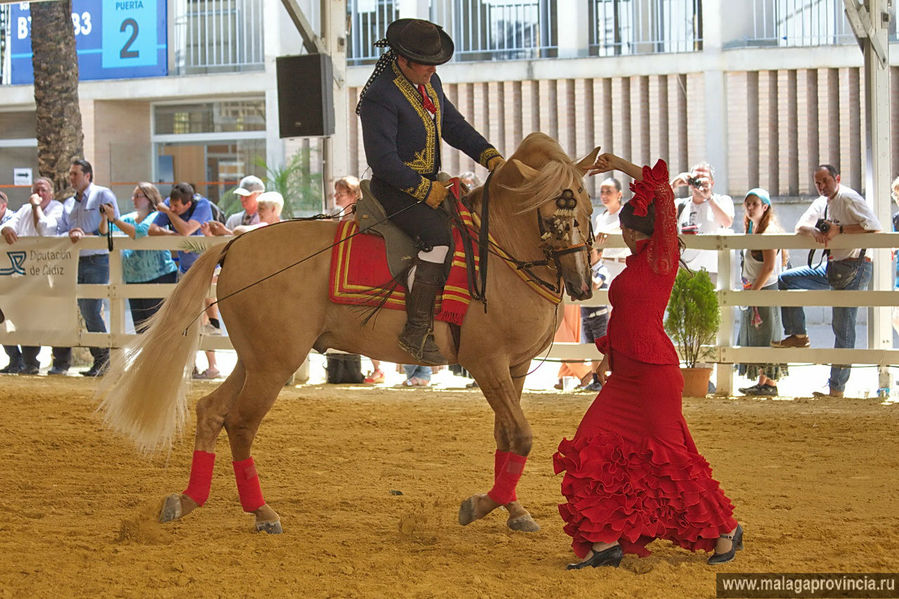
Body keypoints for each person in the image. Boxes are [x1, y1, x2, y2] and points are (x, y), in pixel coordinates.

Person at [554, 152, 740, 570]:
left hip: (655, 374)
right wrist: (606, 361)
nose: (624, 235)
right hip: (625, 376)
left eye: (628, 230)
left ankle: (725, 530)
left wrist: (617, 162)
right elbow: (624, 317)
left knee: (673, 458)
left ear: (644, 231)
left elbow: (658, 187)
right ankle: (604, 543)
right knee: (588, 447)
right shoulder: (639, 265)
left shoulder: (661, 259)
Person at [357, 18, 504, 364]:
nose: (434, 68)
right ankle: (416, 329)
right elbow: (382, 160)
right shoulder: (379, 96)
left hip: (429, 184)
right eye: (427, 62)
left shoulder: (429, 80)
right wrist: (424, 191)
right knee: (439, 239)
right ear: (403, 59)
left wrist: (491, 156)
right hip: (395, 188)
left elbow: (453, 125)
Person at [771, 164, 881, 398]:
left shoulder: (849, 198)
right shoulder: (822, 202)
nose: (821, 187)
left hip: (855, 264)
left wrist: (838, 230)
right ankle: (798, 334)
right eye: (817, 183)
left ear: (837, 179)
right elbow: (800, 225)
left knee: (843, 325)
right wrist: (814, 231)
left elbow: (874, 227)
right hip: (832, 266)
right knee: (786, 280)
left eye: (825, 182)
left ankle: (837, 388)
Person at [56, 159, 121, 377]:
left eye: (75, 174)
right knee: (86, 310)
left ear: (88, 176)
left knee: (91, 310)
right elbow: (62, 230)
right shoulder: (68, 203)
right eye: (70, 174)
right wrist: (71, 235)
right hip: (77, 260)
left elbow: (114, 224)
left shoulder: (103, 195)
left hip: (96, 259)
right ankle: (101, 360)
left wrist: (85, 236)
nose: (71, 178)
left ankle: (103, 360)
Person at [150, 182, 219, 379]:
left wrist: (170, 216)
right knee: (189, 317)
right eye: (171, 206)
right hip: (187, 268)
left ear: (188, 205)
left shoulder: (202, 205)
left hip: (208, 267)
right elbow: (152, 229)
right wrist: (176, 235)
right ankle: (193, 365)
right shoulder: (170, 205)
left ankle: (211, 365)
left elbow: (188, 230)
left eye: (177, 207)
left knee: (203, 317)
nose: (172, 209)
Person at [1, 179, 66, 374]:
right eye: (36, 190)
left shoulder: (57, 208)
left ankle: (61, 363)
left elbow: (45, 229)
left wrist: (36, 205)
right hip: (27, 273)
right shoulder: (24, 209)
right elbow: (11, 224)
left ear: (51, 194)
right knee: (25, 316)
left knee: (55, 317)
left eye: (43, 190)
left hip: (51, 271)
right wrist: (6, 229)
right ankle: (30, 362)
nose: (39, 193)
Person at [98, 182, 178, 331]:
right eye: (133, 196)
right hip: (134, 279)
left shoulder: (156, 216)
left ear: (149, 198)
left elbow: (140, 232)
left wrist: (114, 219)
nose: (133, 199)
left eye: (138, 196)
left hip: (158, 277)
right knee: (140, 328)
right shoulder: (128, 219)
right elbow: (104, 232)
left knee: (157, 327)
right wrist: (105, 218)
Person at [735, 188, 788, 396]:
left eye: (754, 204)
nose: (749, 208)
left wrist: (754, 291)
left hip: (764, 287)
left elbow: (768, 267)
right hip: (755, 286)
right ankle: (763, 381)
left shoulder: (768, 232)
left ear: (765, 207)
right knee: (759, 333)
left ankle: (770, 382)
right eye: (747, 204)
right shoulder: (754, 229)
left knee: (768, 333)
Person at [670, 162, 734, 282]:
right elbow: (657, 212)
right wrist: (673, 185)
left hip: (712, 272)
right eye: (695, 178)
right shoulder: (680, 205)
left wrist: (709, 198)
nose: (699, 182)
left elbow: (727, 222)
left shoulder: (722, 201)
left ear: (712, 183)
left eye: (703, 179)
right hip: (685, 272)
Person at [578, 247, 610, 392]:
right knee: (591, 347)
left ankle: (600, 378)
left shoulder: (602, 270)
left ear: (599, 254)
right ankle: (596, 379)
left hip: (598, 314)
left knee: (600, 349)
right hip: (587, 314)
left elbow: (595, 285)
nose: (588, 256)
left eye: (591, 253)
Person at [202, 191, 284, 236]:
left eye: (261, 209)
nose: (258, 212)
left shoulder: (265, 227)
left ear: (273, 209)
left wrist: (226, 232)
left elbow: (239, 231)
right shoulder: (262, 226)